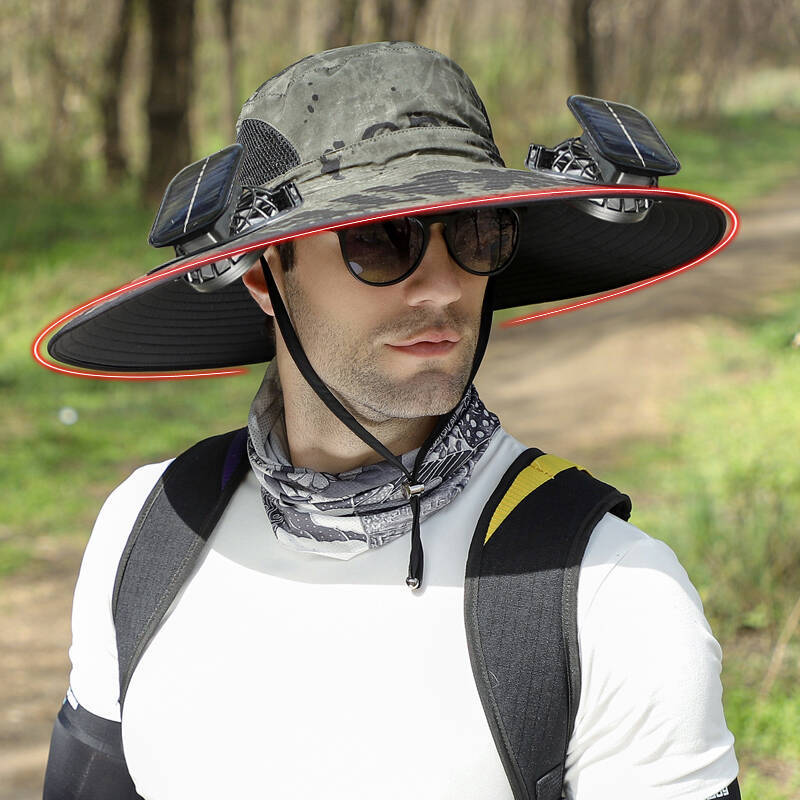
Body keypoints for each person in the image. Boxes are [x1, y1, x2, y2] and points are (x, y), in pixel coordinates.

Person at [43, 42, 740, 799]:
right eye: (380, 240)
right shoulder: (146, 532)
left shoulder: (612, 596)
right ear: (263, 274)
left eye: (475, 234)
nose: (442, 287)